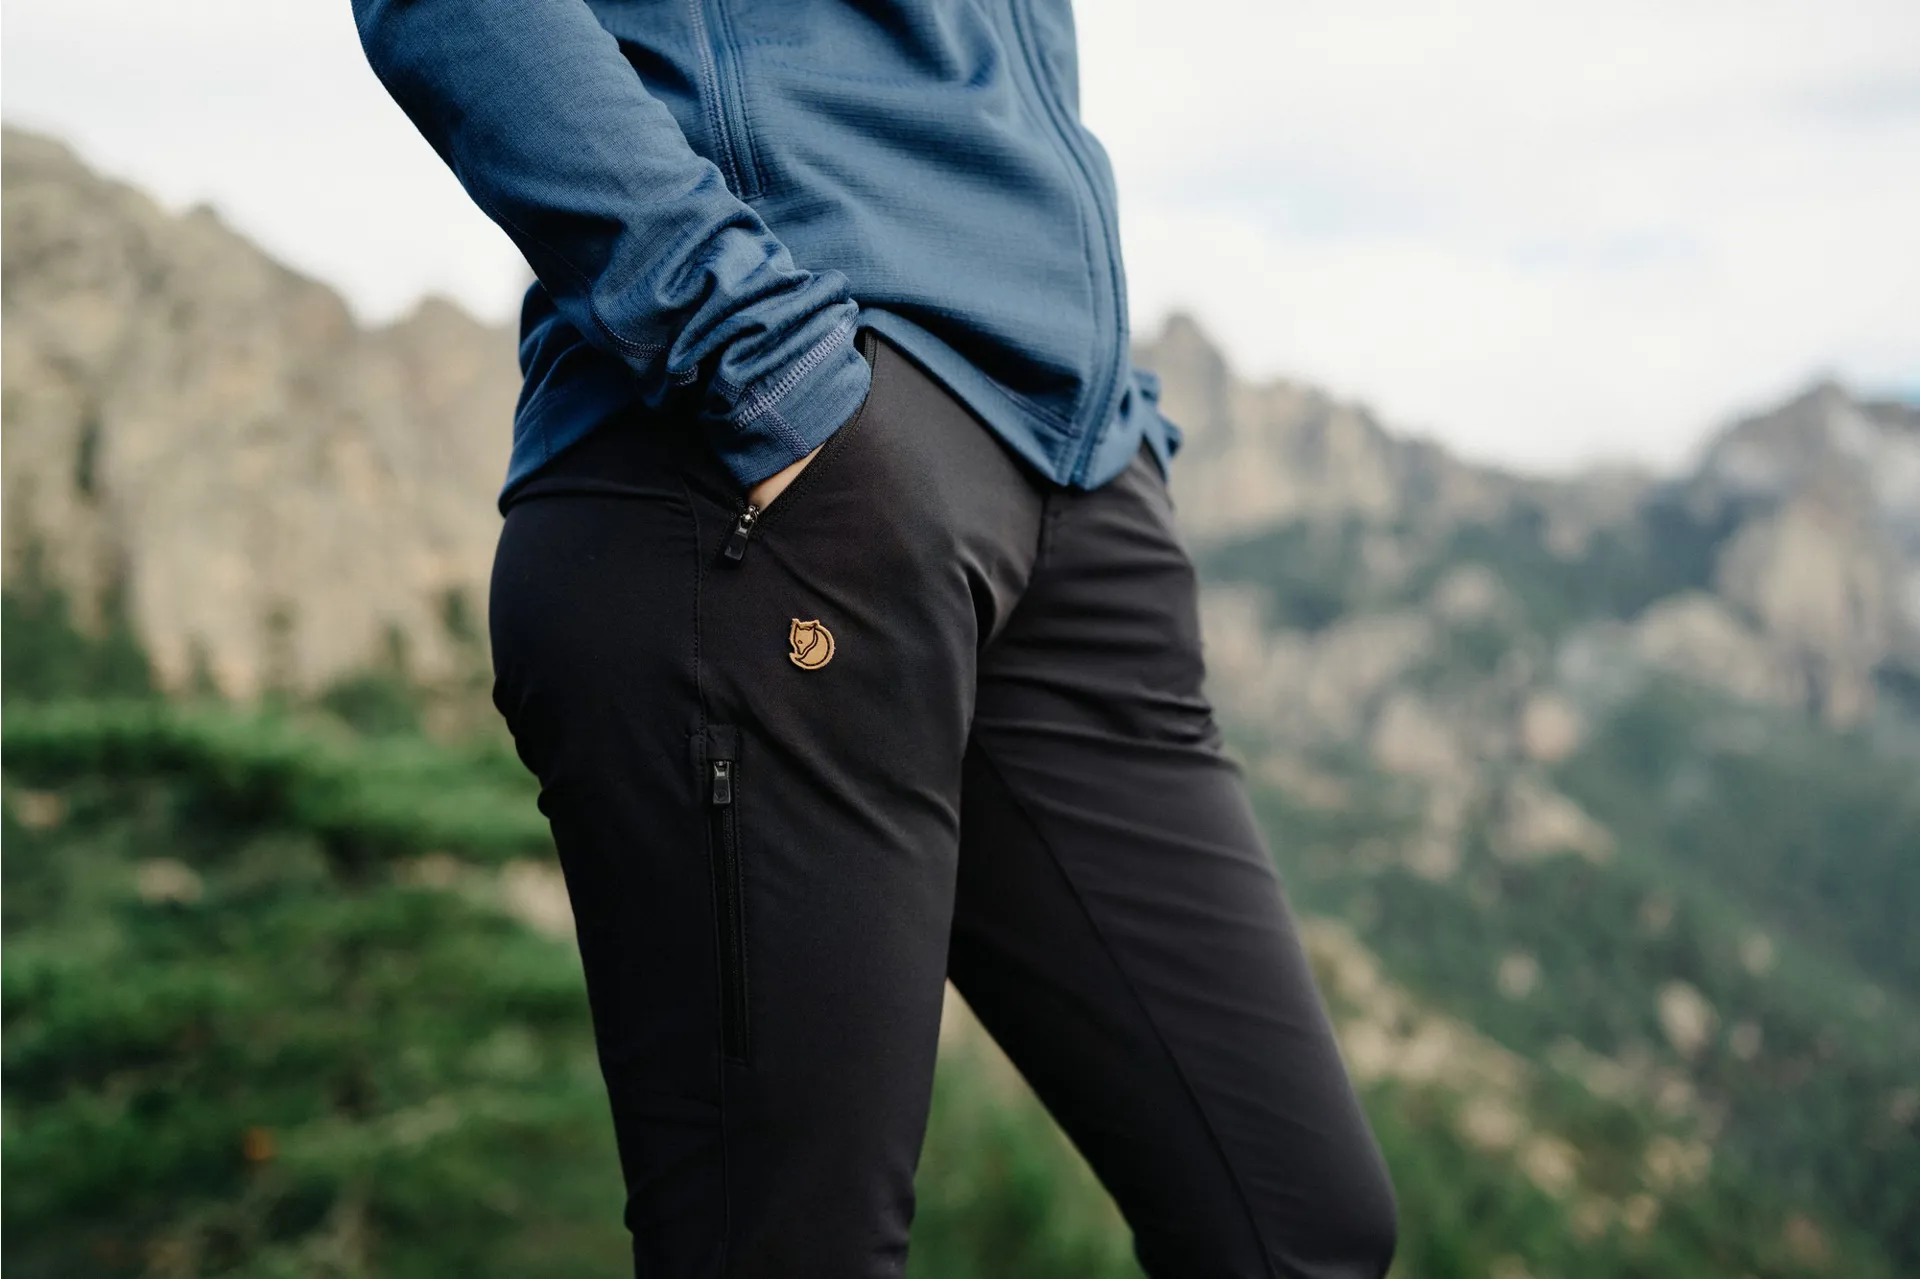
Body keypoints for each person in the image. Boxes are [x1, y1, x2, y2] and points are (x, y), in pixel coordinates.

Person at [353, 2, 1397, 1275]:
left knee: (1297, 1229)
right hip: (779, 458)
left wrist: (1115, 414)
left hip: (1076, 482)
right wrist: (762, 365)